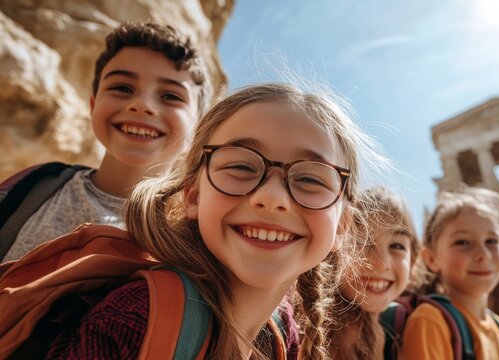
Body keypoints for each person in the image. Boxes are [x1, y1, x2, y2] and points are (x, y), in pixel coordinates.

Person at [3, 82, 388, 359]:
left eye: (309, 179)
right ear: (194, 196)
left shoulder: (282, 328)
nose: (271, 198)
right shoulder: (136, 317)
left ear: (341, 227)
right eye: (239, 165)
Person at [0, 22, 211, 261]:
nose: (142, 105)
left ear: (199, 127)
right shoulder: (33, 186)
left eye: (170, 96)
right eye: (122, 87)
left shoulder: (200, 235)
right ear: (93, 106)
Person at [402, 186, 499, 359]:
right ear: (431, 259)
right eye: (463, 242)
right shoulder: (431, 321)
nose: (483, 254)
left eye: (491, 241)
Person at [328, 186, 419, 360]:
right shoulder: (334, 332)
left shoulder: (378, 328)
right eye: (363, 243)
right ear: (333, 252)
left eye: (397, 246)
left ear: (413, 261)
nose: (382, 263)